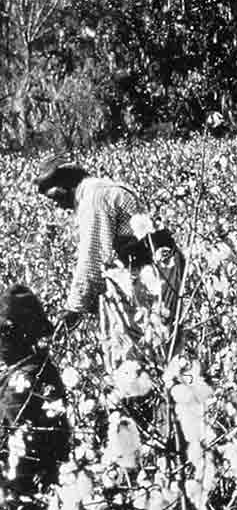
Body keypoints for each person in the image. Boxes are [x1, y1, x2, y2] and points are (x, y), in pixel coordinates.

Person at [33, 156, 183, 370]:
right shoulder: (102, 188)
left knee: (144, 349)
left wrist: (74, 309)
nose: (58, 205)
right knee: (162, 343)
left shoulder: (94, 198)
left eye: (55, 196)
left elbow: (93, 257)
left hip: (150, 274)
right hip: (160, 268)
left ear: (66, 185)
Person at [0, 285, 71, 507]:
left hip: (22, 492)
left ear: (13, 336)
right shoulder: (43, 369)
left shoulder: (22, 383)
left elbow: (15, 445)